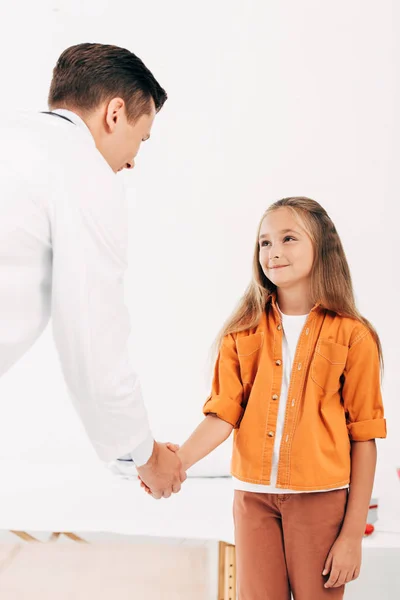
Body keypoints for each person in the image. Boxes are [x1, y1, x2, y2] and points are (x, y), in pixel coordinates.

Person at [140, 197, 387, 598]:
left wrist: (352, 536)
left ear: (322, 246)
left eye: (288, 238)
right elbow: (223, 414)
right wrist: (174, 463)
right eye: (264, 243)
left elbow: (364, 437)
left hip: (320, 499)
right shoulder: (242, 332)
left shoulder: (354, 336)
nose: (273, 252)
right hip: (253, 498)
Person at [0, 42, 185, 500]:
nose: (133, 160)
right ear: (115, 113)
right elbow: (91, 338)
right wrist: (144, 455)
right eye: (140, 139)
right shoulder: (83, 171)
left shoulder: (13, 135)